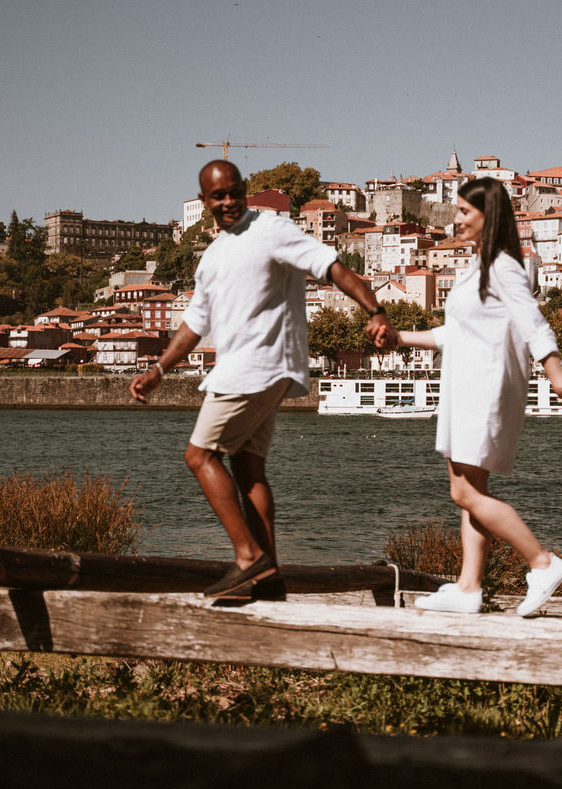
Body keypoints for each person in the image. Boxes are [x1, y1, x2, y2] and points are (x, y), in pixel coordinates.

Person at [130, 160, 397, 601]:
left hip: (258, 367)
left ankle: (247, 558)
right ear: (204, 203)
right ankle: (269, 578)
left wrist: (376, 310)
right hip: (254, 370)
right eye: (219, 196)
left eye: (235, 192)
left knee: (199, 456)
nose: (229, 201)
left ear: (245, 190)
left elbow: (331, 267)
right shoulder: (211, 257)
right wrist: (159, 370)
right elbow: (193, 327)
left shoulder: (271, 228)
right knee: (247, 468)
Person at [395, 177, 562, 617]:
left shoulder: (505, 267)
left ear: (487, 217)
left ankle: (542, 562)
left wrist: (559, 379)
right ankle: (469, 587)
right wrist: (398, 338)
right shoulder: (476, 267)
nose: (455, 219)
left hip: (486, 387)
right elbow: (452, 334)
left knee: (462, 491)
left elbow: (535, 326)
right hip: (469, 382)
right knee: (472, 487)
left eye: (463, 212)